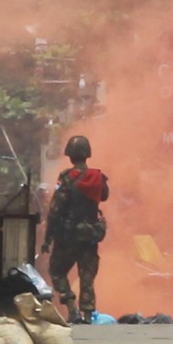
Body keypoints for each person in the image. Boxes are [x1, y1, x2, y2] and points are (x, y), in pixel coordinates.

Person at [41, 135, 109, 324]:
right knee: (87, 276)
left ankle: (72, 309)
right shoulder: (98, 177)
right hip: (90, 235)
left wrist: (48, 238)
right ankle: (87, 315)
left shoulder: (66, 178)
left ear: (70, 155)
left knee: (56, 271)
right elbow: (104, 196)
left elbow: (55, 210)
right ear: (87, 154)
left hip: (68, 236)